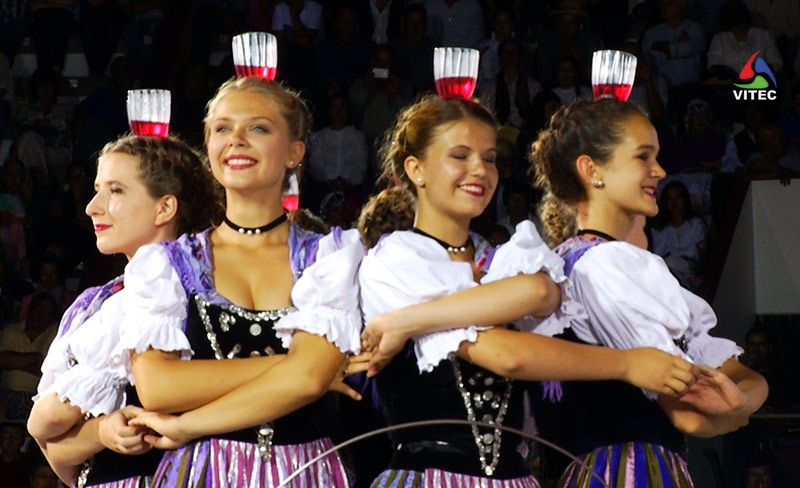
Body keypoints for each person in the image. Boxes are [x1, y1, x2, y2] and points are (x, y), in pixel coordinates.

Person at [358, 93, 700, 487]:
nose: (479, 170)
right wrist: (627, 363)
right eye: (460, 156)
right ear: (416, 169)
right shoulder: (397, 260)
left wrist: (406, 320)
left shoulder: (506, 257)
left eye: (488, 158)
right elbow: (508, 356)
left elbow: (541, 293)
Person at [119, 76, 365, 487]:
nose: (236, 140)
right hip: (203, 473)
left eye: (258, 128)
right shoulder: (167, 263)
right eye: (222, 128)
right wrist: (305, 369)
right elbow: (159, 388)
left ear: (294, 152)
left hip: (306, 471)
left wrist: (189, 424)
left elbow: (307, 382)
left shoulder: (329, 257)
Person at [529, 98, 768, 486]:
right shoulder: (603, 265)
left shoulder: (585, 262)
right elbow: (689, 413)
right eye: (644, 157)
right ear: (592, 170)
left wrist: (736, 404)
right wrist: (738, 408)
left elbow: (736, 378)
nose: (660, 170)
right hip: (631, 470)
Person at [26, 134, 221, 487]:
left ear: (165, 207)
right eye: (98, 189)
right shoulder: (98, 303)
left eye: (115, 191)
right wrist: (100, 432)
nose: (92, 207)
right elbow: (51, 446)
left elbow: (50, 422)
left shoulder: (200, 294)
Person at [0, 291, 58, 420]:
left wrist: (15, 363)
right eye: (38, 310)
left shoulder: (55, 334)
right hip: (6, 393)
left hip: (39, 396)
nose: (40, 315)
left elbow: (49, 370)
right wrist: (37, 357)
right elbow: (3, 360)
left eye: (46, 312)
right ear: (30, 310)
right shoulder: (12, 331)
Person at [649, 180, 708, 291]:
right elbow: (659, 254)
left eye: (678, 197)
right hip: (667, 270)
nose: (674, 202)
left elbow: (695, 253)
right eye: (670, 198)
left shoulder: (696, 224)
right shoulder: (659, 229)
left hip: (691, 270)